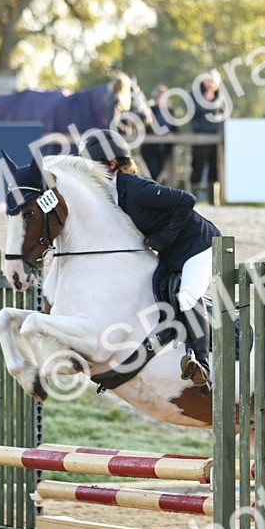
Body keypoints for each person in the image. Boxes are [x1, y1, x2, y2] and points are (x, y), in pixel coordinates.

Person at [80, 128, 221, 393]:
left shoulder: (135, 188)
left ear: (111, 165)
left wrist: (163, 238)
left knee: (187, 296)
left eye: (92, 166)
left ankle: (202, 365)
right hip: (172, 253)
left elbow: (186, 200)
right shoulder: (111, 195)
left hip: (200, 246)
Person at [189, 71, 224, 203]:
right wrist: (205, 101)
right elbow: (192, 113)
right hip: (200, 136)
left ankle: (213, 199)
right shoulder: (194, 95)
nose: (210, 83)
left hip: (216, 137)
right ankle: (193, 198)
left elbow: (223, 114)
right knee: (197, 166)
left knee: (215, 168)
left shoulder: (220, 96)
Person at [140, 85, 177, 182]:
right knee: (153, 173)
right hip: (150, 148)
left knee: (158, 173)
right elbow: (148, 128)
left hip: (164, 149)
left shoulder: (170, 111)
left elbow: (175, 128)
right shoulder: (149, 110)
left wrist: (171, 134)